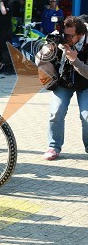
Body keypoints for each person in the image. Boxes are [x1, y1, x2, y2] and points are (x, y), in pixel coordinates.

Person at [43, 16, 88, 160]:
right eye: (65, 34)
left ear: (80, 35)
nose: (66, 38)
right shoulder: (59, 41)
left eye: (70, 36)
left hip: (85, 84)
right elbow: (39, 59)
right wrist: (47, 50)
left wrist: (75, 60)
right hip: (64, 82)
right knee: (56, 112)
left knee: (86, 116)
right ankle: (53, 147)